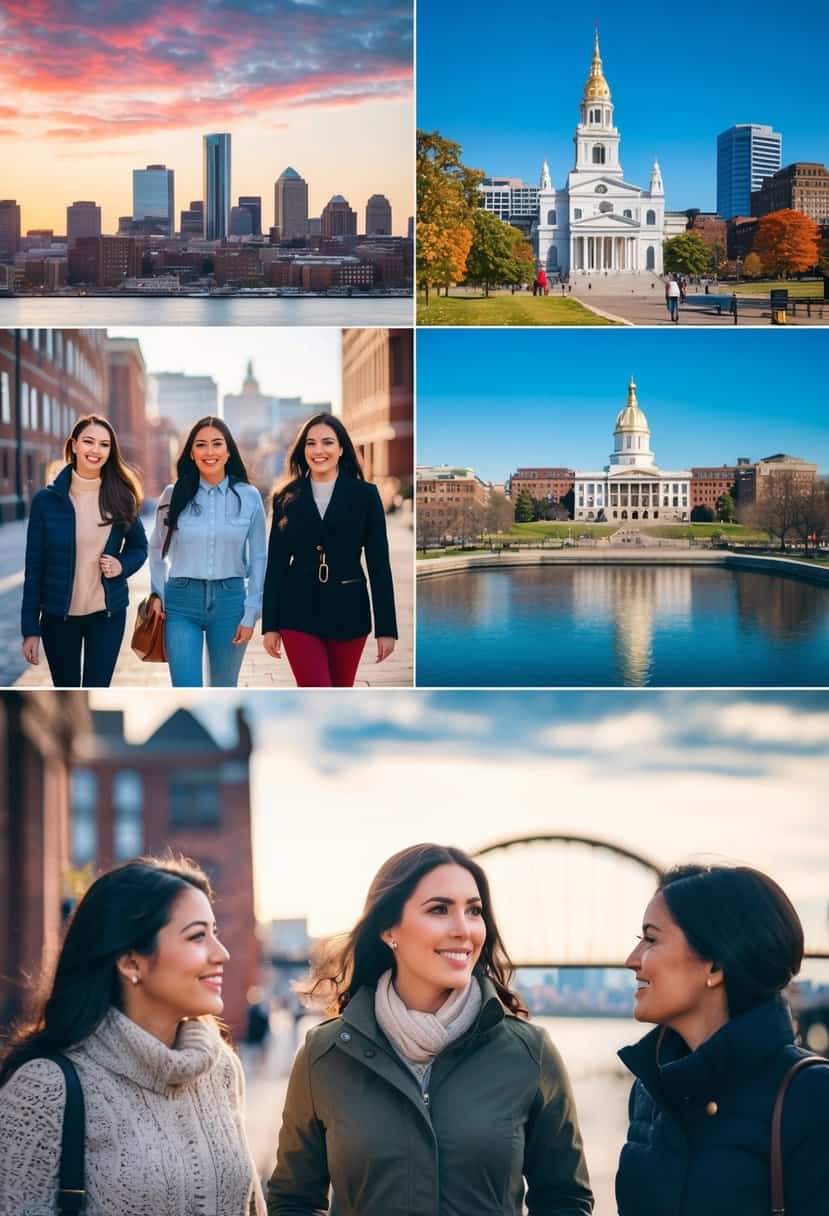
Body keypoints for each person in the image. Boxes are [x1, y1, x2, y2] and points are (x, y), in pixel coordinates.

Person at [267, 843, 593, 1216]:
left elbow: (565, 1201)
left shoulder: (530, 1053)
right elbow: (293, 1201)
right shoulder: (324, 1055)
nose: (464, 930)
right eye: (439, 909)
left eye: (474, 911)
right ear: (389, 928)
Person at [0, 856, 265, 1216]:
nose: (222, 953)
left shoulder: (220, 1070)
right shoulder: (44, 1088)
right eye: (197, 936)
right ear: (130, 962)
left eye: (214, 933)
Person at [616, 863, 829, 1216]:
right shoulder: (649, 1091)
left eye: (651, 939)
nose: (631, 960)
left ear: (714, 965)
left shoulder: (811, 1095)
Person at [262, 413, 397, 687]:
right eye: (311, 443)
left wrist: (387, 629)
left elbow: (379, 565)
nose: (318, 450)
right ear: (303, 450)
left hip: (349, 612)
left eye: (327, 442)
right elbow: (275, 566)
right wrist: (270, 626)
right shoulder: (285, 497)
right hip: (297, 612)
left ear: (342, 448)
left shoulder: (366, 496)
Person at [20, 414, 147, 687]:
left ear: (111, 451)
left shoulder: (121, 497)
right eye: (89, 441)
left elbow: (139, 547)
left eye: (104, 444)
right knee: (66, 689)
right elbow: (34, 568)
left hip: (107, 616)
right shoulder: (46, 502)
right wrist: (30, 629)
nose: (96, 450)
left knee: (97, 687)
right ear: (74, 445)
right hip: (58, 618)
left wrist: (121, 565)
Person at [149, 416, 266, 687]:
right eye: (201, 445)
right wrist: (158, 593)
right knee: (185, 685)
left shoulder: (249, 496)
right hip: (180, 603)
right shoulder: (172, 495)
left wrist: (252, 610)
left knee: (224, 687)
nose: (209, 451)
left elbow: (260, 556)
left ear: (228, 451)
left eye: (217, 444)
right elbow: (155, 548)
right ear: (191, 453)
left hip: (230, 603)